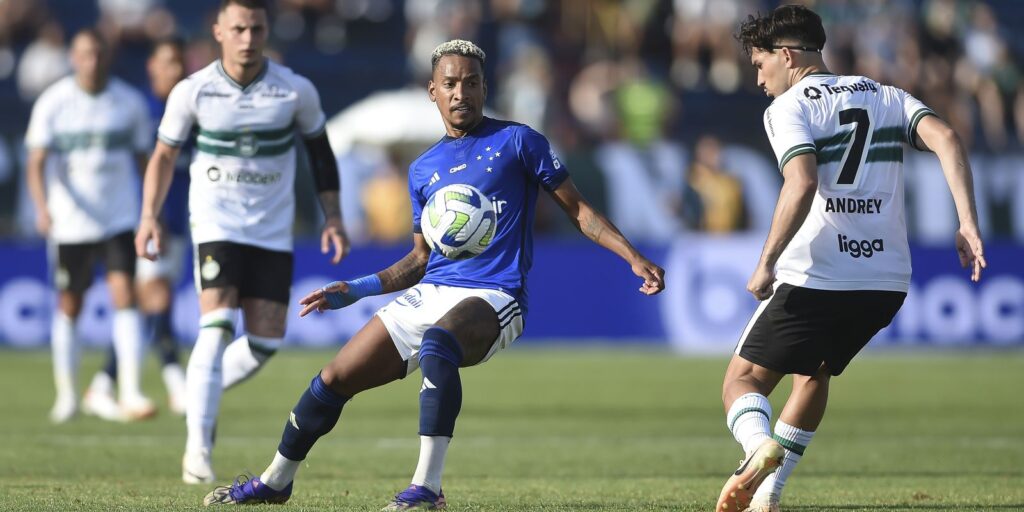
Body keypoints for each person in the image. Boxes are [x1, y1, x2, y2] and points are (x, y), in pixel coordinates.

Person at [201, 39, 665, 508]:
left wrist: (632, 256)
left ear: (485, 88)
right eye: (450, 84)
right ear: (433, 92)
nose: (460, 92)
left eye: (470, 82)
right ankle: (275, 482)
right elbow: (419, 259)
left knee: (439, 343)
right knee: (332, 378)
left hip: (496, 295)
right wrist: (357, 289)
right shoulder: (423, 169)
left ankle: (427, 488)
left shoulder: (519, 141)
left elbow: (580, 210)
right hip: (433, 290)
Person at [716, 6, 986, 512]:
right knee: (814, 373)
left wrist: (766, 260)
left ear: (787, 55)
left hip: (817, 272)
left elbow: (801, 181)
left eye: (759, 64)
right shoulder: (884, 93)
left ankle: (756, 449)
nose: (758, 78)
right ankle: (767, 496)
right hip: (885, 280)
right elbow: (947, 138)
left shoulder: (789, 107)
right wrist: (968, 222)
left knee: (742, 379)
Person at [134, 0, 350, 484]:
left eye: (255, 28)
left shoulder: (294, 90)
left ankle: (198, 389)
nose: (248, 38)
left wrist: (333, 216)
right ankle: (198, 449)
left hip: (272, 230)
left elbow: (321, 154)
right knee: (216, 326)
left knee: (266, 341)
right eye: (238, 28)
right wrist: (148, 215)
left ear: (265, 29)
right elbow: (164, 156)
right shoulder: (194, 91)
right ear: (218, 31)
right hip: (215, 224)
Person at [25, 28, 155, 424]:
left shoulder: (128, 103)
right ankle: (67, 395)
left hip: (118, 217)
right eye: (84, 54)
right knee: (70, 304)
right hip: (70, 222)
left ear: (107, 56)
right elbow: (36, 161)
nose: (92, 61)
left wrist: (150, 211)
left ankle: (130, 389)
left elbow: (144, 160)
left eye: (98, 54)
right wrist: (42, 208)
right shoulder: (54, 102)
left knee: (125, 296)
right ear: (72, 57)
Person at [84, 38, 191, 422]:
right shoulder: (138, 110)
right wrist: (146, 214)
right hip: (146, 222)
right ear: (151, 67)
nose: (175, 71)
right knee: (155, 295)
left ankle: (101, 383)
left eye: (179, 62)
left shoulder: (191, 109)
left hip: (181, 221)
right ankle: (176, 381)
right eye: (168, 62)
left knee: (152, 304)